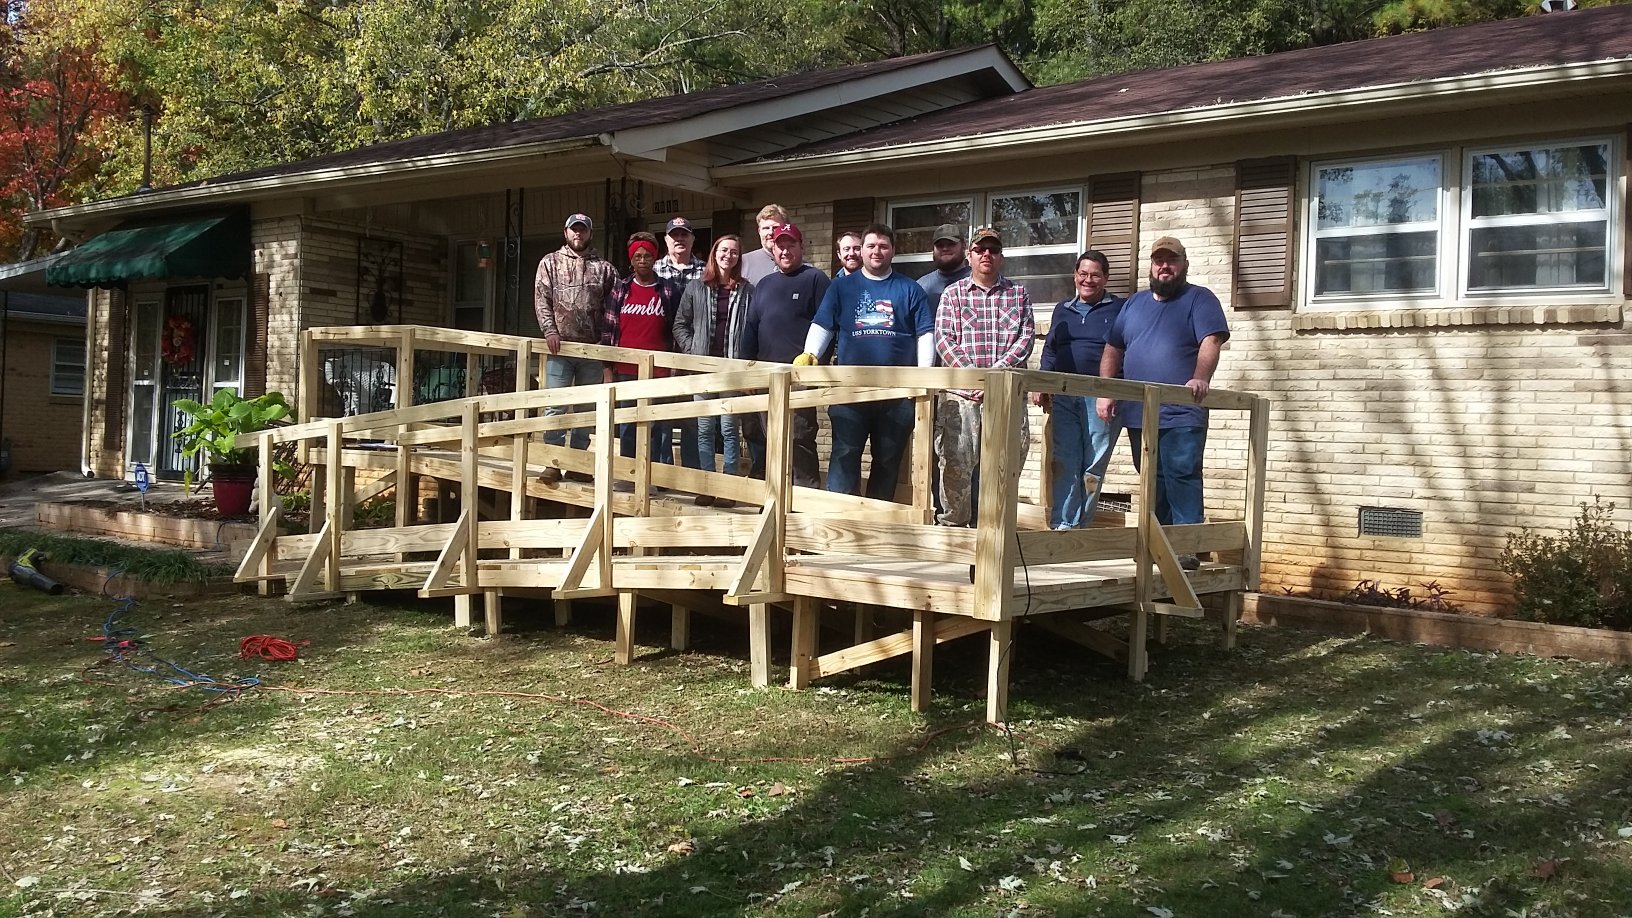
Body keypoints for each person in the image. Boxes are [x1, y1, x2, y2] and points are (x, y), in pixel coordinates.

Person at [1097, 236, 1229, 570]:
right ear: (1151, 266)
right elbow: (1114, 348)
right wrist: (1107, 389)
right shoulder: (1133, 304)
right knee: (1150, 477)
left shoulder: (1199, 299)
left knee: (1181, 473)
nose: (1164, 266)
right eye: (1159, 260)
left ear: (1184, 264)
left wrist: (1201, 378)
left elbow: (1211, 340)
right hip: (1140, 411)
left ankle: (1186, 547)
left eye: (1172, 260)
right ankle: (1159, 543)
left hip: (1182, 409)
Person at [797, 223, 934, 499]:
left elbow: (925, 335)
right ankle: (840, 520)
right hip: (850, 393)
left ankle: (877, 523)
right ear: (862, 250)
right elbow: (823, 325)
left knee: (887, 460)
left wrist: (924, 377)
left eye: (883, 246)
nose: (877, 251)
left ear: (893, 251)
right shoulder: (841, 288)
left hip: (897, 396)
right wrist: (810, 353)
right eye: (871, 245)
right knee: (845, 455)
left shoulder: (910, 290)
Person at [933, 226, 1034, 527]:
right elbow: (944, 340)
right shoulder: (952, 294)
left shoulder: (1018, 294)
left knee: (1004, 470)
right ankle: (954, 535)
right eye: (980, 249)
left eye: (993, 249)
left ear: (1001, 257)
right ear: (970, 255)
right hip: (961, 399)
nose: (986, 254)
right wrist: (976, 379)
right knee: (955, 471)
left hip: (1004, 397)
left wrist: (994, 378)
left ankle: (994, 536)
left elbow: (1025, 339)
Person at [1037, 251, 1125, 530]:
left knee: (1092, 466)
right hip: (1064, 394)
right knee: (1065, 460)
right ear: (1075, 276)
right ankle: (1062, 525)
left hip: (1101, 396)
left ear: (1106, 278)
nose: (1088, 280)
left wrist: (1110, 391)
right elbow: (1051, 350)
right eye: (1083, 274)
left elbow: (1126, 351)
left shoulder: (1121, 308)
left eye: (1095, 274)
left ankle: (1081, 528)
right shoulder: (1063, 309)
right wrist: (1041, 382)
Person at [739, 222, 829, 487]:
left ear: (801, 246)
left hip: (800, 379)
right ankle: (776, 496)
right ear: (773, 249)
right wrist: (748, 372)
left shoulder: (815, 279)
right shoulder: (765, 285)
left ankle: (804, 497)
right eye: (781, 245)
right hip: (767, 379)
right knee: (771, 440)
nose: (786, 250)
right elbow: (751, 329)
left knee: (799, 439)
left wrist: (816, 369)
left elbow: (827, 327)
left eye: (791, 245)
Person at [534, 212, 618, 483]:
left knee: (585, 410)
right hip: (560, 349)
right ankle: (552, 463)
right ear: (566, 232)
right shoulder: (549, 263)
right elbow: (541, 299)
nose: (578, 234)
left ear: (590, 234)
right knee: (555, 408)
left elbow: (614, 308)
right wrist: (550, 331)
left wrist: (606, 346)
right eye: (574, 230)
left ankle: (579, 463)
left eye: (583, 230)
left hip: (592, 351)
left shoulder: (604, 268)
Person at [673, 235, 754, 507]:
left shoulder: (746, 290)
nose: (728, 255)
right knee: (704, 429)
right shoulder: (697, 287)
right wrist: (693, 351)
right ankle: (707, 486)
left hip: (732, 370)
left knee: (730, 430)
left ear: (738, 257)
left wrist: (747, 364)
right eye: (723, 250)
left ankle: (728, 489)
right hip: (703, 371)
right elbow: (680, 324)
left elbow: (753, 329)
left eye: (733, 252)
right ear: (714, 253)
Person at [603, 232, 683, 482]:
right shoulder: (621, 289)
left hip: (659, 369)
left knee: (659, 427)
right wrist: (607, 369)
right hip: (626, 368)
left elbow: (677, 328)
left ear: (655, 258)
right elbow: (608, 330)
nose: (643, 260)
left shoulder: (668, 290)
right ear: (631, 260)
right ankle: (629, 475)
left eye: (648, 255)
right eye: (638, 256)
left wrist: (675, 365)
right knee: (628, 424)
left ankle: (657, 477)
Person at [655, 216, 706, 470]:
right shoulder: (653, 271)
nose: (679, 239)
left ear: (692, 239)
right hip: (661, 352)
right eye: (674, 235)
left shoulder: (706, 272)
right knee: (661, 415)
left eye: (684, 235)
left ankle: (691, 473)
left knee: (692, 417)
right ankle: (663, 472)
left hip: (693, 353)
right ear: (666, 240)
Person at [917, 223, 971, 313]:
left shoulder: (978, 282)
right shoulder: (921, 287)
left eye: (951, 244)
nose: (945, 248)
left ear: (964, 246)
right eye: (940, 245)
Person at [741, 204, 788, 286]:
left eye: (775, 228)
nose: (770, 233)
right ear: (759, 231)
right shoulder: (742, 263)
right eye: (766, 228)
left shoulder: (799, 265)